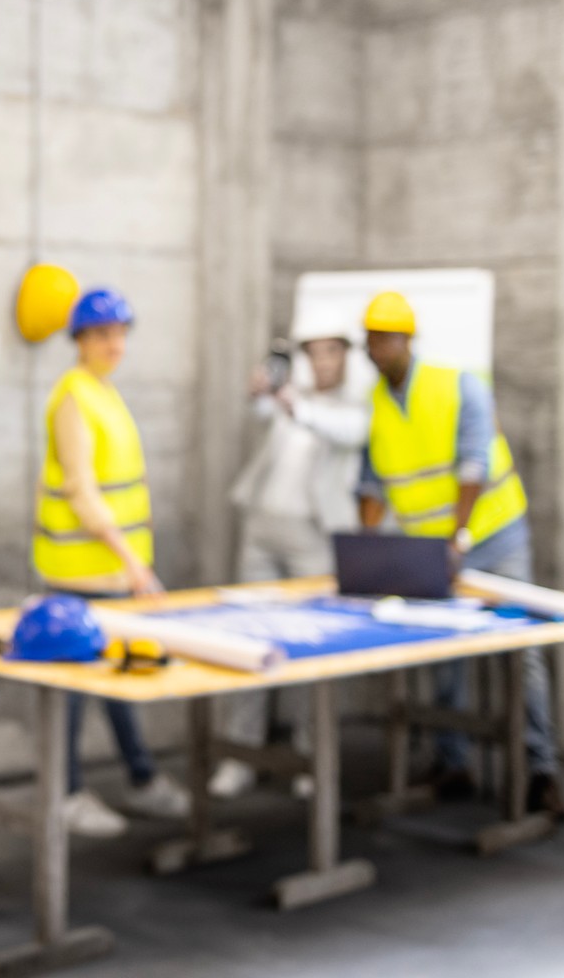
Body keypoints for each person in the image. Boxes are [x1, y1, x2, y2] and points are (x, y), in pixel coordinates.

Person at [355, 291, 564, 820]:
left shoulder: (458, 385)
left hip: (493, 538)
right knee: (446, 655)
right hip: (435, 551)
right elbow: (372, 485)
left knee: (523, 648)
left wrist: (459, 539)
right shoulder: (377, 406)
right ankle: (455, 764)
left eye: (385, 339)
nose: (377, 349)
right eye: (372, 340)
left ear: (407, 340)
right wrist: (367, 549)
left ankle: (541, 771)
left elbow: (473, 467)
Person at [31, 287, 191, 837]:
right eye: (103, 334)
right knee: (75, 688)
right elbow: (83, 491)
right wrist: (133, 562)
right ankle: (67, 793)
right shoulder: (75, 396)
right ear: (80, 340)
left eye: (121, 333)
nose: (114, 344)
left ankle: (141, 778)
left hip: (112, 573)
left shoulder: (103, 392)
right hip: (79, 574)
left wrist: (129, 566)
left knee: (119, 677)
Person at [210, 315, 369, 798]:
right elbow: (264, 413)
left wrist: (293, 405)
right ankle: (241, 755)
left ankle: (309, 757)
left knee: (310, 647)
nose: (321, 361)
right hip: (262, 527)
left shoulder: (355, 407)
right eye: (314, 352)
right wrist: (263, 392)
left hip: (313, 539)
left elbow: (347, 431)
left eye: (331, 352)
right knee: (246, 639)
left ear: (345, 355)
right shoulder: (291, 396)